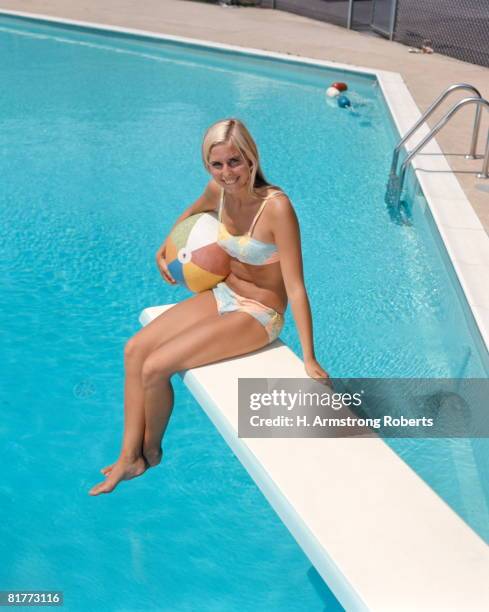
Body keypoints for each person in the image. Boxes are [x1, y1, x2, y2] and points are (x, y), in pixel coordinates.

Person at [89, 118, 329, 496]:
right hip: (223, 293)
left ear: (251, 159)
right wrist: (167, 248)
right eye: (216, 165)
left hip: (258, 312)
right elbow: (189, 215)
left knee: (155, 367)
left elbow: (297, 287)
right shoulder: (216, 191)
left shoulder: (276, 207)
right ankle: (127, 457)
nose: (226, 173)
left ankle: (149, 451)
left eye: (234, 162)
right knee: (134, 350)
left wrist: (310, 357)